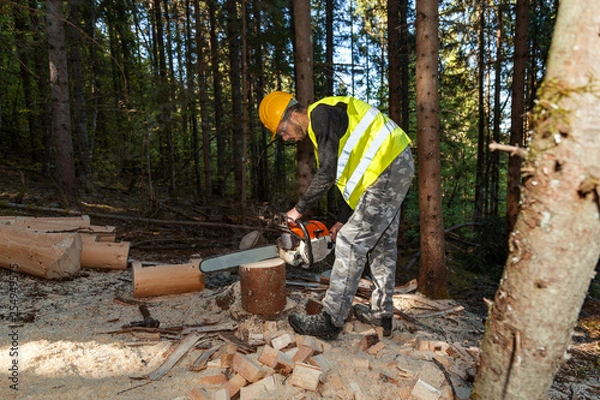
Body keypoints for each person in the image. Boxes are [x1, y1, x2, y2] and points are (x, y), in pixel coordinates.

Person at [258, 91, 414, 340]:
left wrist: (298, 210)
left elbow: (327, 173)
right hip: (392, 164)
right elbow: (352, 182)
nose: (285, 137)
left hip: (387, 165)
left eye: (283, 130)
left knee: (350, 243)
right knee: (381, 245)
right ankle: (381, 314)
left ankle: (331, 320)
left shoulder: (320, 114)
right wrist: (343, 219)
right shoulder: (326, 128)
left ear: (294, 114)